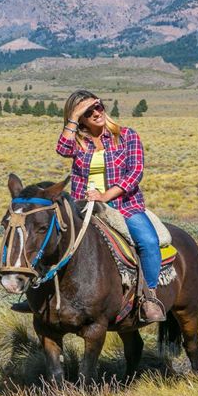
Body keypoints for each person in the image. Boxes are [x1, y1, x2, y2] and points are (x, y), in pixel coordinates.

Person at [55, 90, 166, 322]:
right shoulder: (78, 141)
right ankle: (43, 294)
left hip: (124, 205)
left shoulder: (126, 136)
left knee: (148, 241)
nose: (97, 113)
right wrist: (73, 117)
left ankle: (149, 296)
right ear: (80, 117)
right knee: (52, 237)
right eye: (88, 111)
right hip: (82, 206)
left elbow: (135, 172)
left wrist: (105, 196)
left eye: (99, 107)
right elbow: (62, 149)